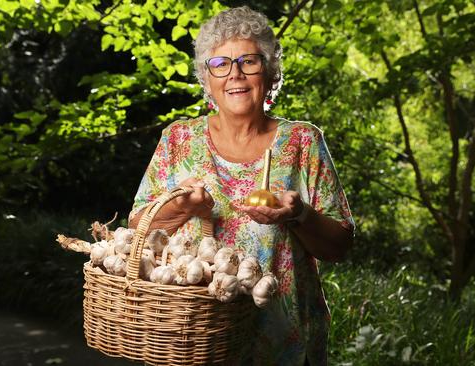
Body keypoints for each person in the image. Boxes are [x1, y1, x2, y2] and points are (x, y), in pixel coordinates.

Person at [128, 6, 354, 365]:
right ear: (207, 78)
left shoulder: (302, 142)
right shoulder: (178, 140)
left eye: (249, 61)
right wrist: (181, 206)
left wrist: (298, 214)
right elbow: (138, 232)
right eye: (220, 64)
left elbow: (340, 246)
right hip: (196, 340)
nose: (235, 74)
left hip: (284, 342)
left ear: (269, 72)